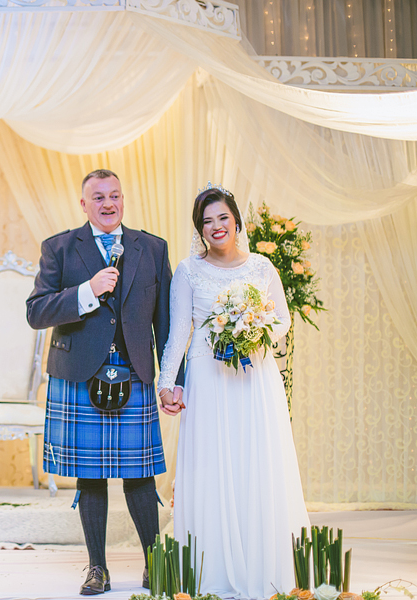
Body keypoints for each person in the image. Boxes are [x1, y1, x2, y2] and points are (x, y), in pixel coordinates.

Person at [26, 169, 184, 595]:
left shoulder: (152, 248)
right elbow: (36, 312)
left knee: (140, 474)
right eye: (98, 197)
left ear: (123, 199)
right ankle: (98, 568)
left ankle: (155, 565)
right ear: (84, 204)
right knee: (90, 475)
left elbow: (167, 324)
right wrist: (87, 291)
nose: (108, 203)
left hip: (134, 371)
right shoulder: (59, 248)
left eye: (115, 195)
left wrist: (174, 381)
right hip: (79, 374)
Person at [157, 185, 309, 599]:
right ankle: (216, 571)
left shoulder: (262, 266)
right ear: (199, 230)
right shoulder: (188, 271)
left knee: (256, 463)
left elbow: (283, 321)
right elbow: (178, 334)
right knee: (214, 466)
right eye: (207, 221)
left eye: (222, 217)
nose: (216, 226)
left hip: (255, 379)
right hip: (208, 382)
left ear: (236, 220)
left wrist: (254, 325)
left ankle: (264, 567)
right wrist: (166, 384)